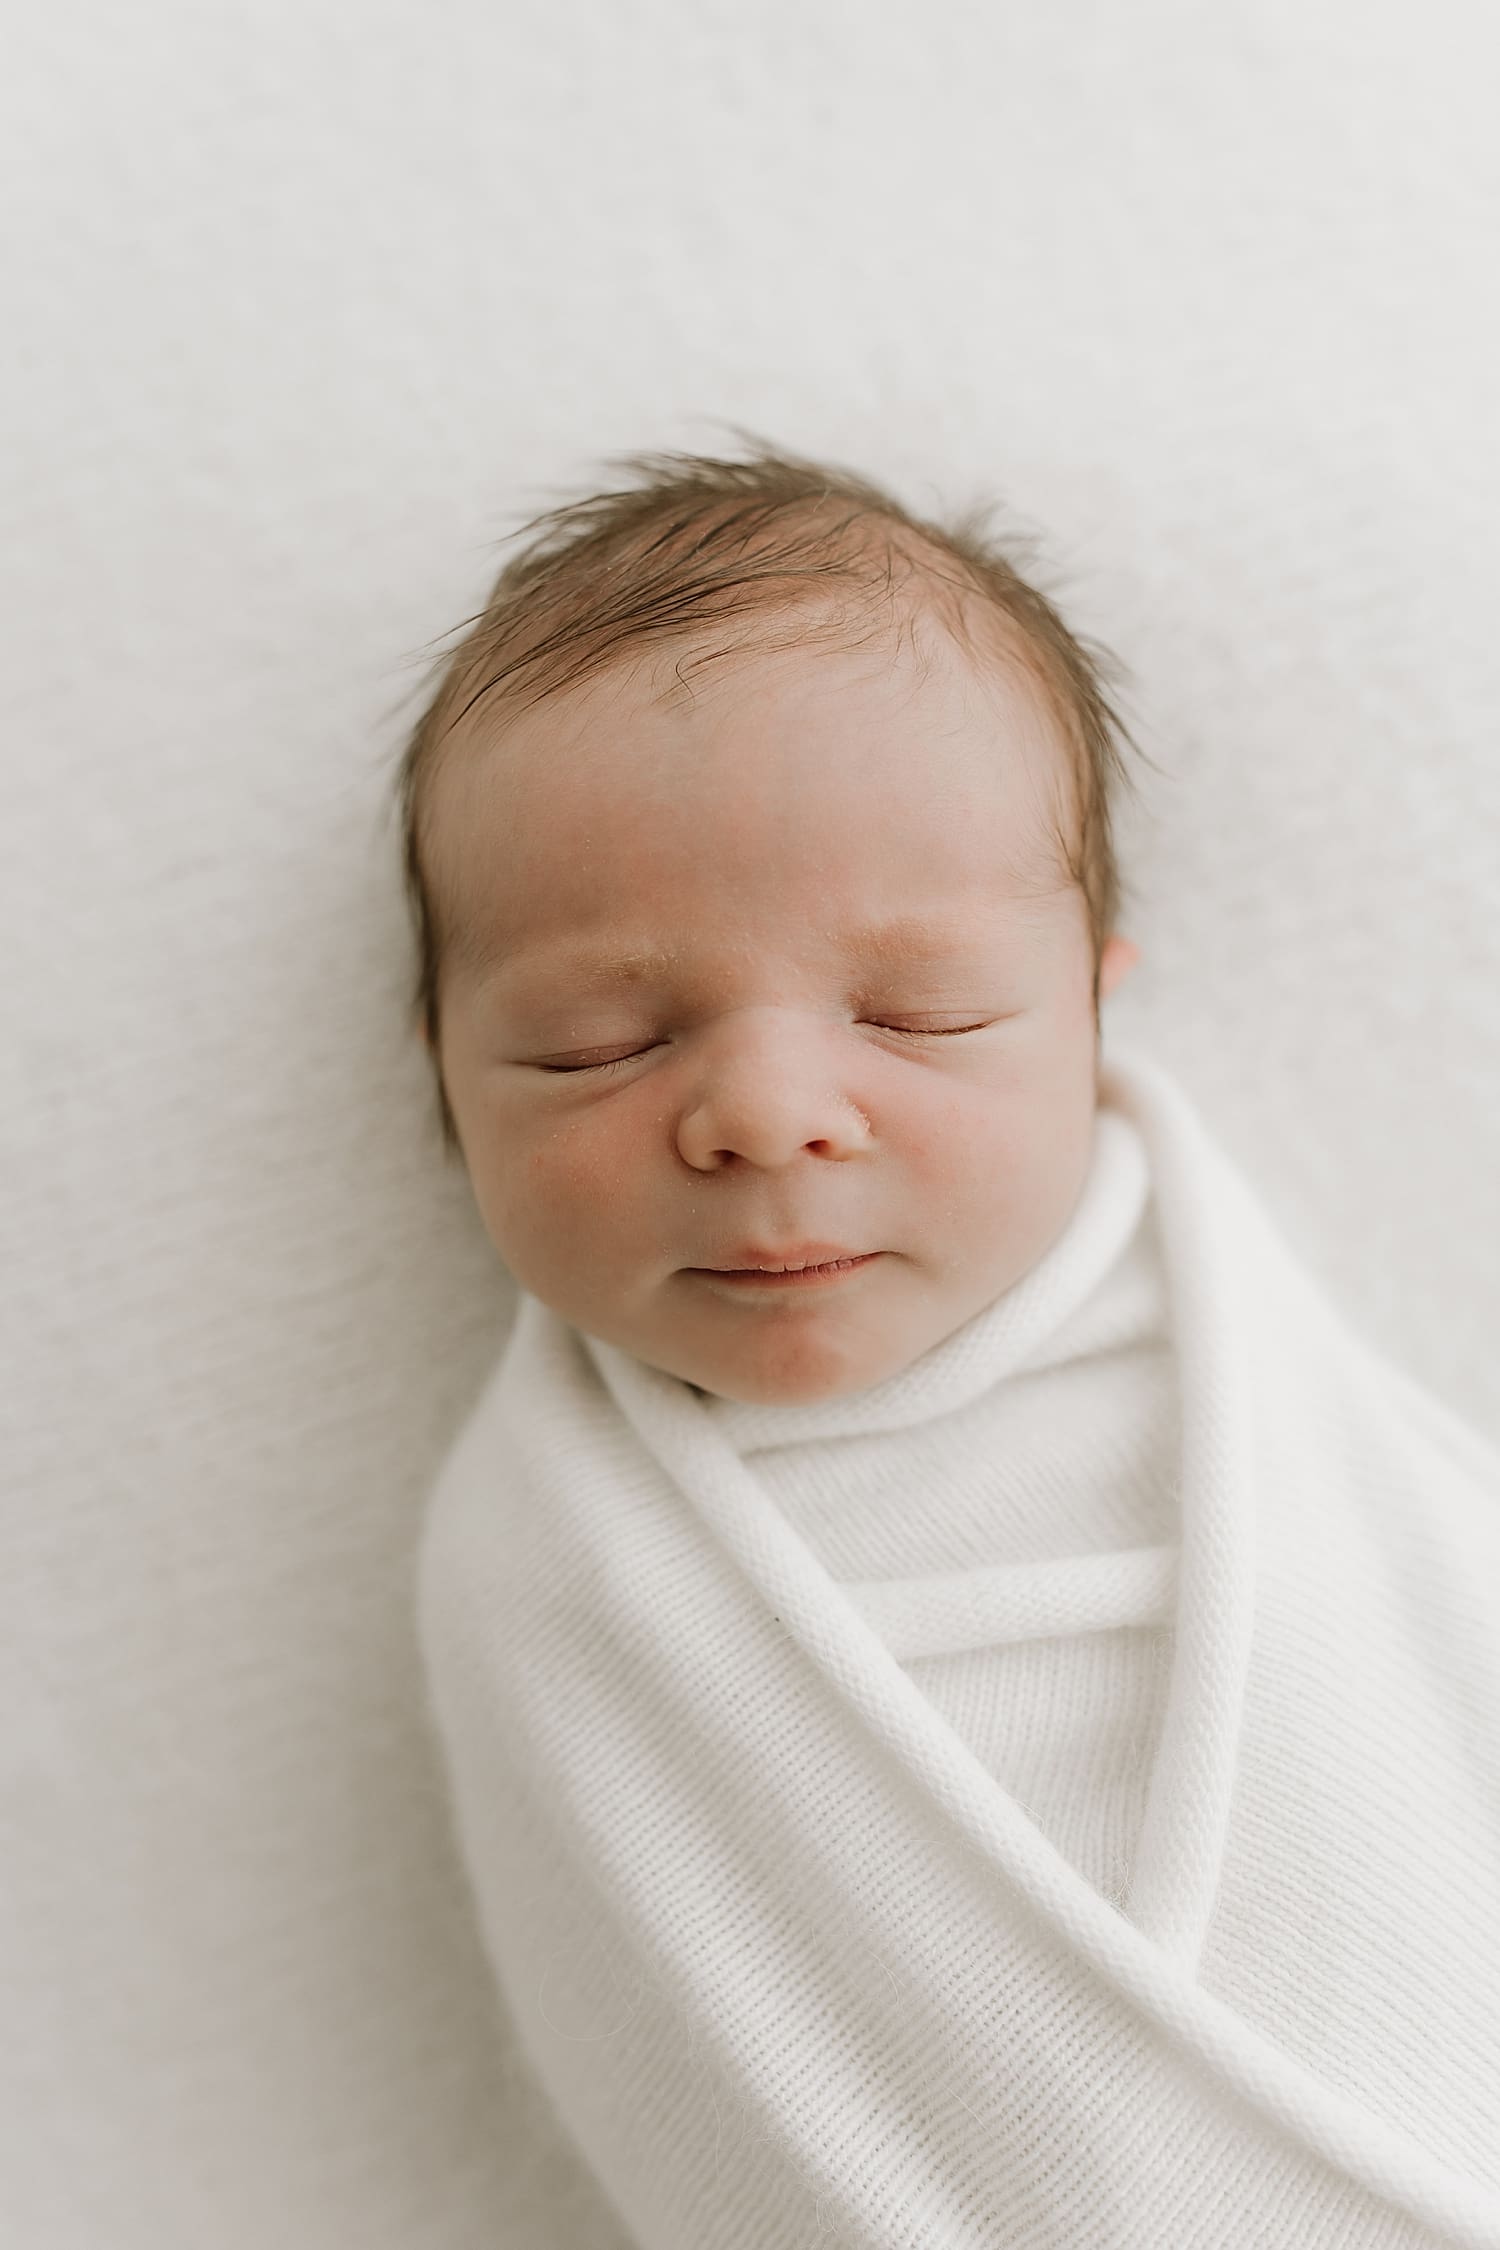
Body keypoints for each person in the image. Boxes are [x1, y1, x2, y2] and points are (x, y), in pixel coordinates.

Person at [396, 436, 1500, 2248]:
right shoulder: (544, 1579)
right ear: (441, 1088)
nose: (762, 1113)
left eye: (917, 1013)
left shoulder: (1259, 1398)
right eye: (597, 1040)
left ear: (1083, 1017)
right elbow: (683, 2058)